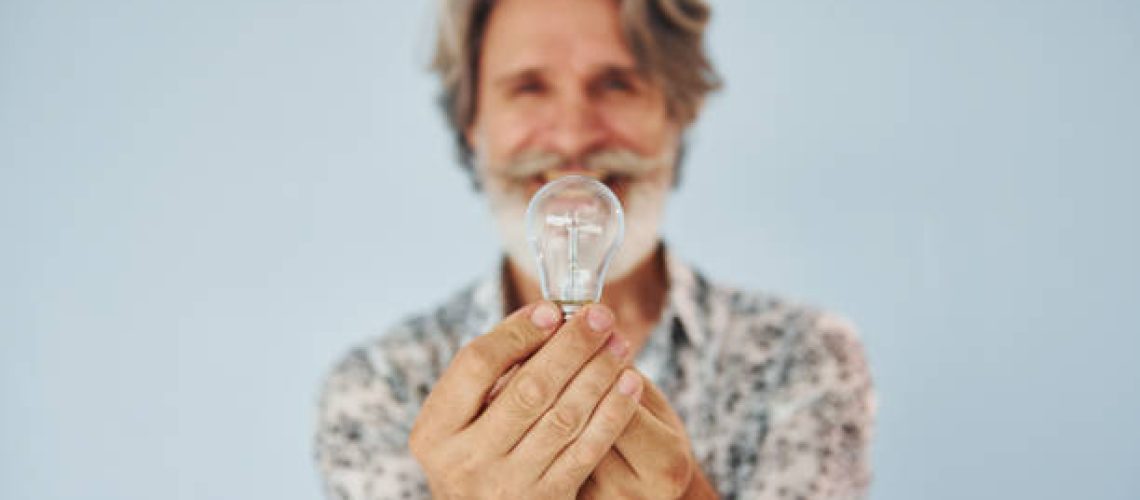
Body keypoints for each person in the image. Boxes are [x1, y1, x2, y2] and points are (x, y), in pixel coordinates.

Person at [314, 0, 875, 498]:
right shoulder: (382, 387)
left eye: (616, 83)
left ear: (677, 112)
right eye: (529, 86)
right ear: (472, 122)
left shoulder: (797, 358)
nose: (572, 137)